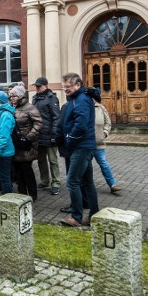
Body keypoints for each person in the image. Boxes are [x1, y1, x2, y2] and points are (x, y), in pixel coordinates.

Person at [59, 72, 99, 228]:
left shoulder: (81, 100)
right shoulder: (77, 98)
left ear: (78, 85)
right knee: (87, 183)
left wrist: (70, 138)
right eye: (64, 87)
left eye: (68, 86)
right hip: (84, 146)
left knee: (72, 181)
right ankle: (94, 215)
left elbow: (81, 125)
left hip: (81, 147)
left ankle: (76, 217)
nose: (65, 89)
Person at [9, 82, 42, 201]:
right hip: (16, 144)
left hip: (27, 145)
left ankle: (32, 194)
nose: (12, 98)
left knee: (26, 170)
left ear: (21, 96)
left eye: (14, 96)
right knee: (18, 171)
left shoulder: (30, 108)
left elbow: (38, 123)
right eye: (11, 96)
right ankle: (21, 194)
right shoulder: (12, 107)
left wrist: (29, 137)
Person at [87, 88, 122, 194]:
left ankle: (112, 185)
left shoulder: (101, 108)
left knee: (103, 163)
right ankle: (87, 185)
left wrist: (105, 133)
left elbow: (108, 122)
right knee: (86, 166)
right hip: (87, 143)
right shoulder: (84, 108)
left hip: (99, 143)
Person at [32, 77, 61, 195]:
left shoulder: (52, 98)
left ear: (46, 86)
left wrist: (54, 134)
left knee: (53, 160)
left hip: (49, 134)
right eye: (36, 86)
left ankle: (56, 182)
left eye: (40, 86)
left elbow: (56, 117)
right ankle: (45, 180)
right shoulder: (34, 99)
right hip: (39, 134)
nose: (38, 88)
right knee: (41, 160)